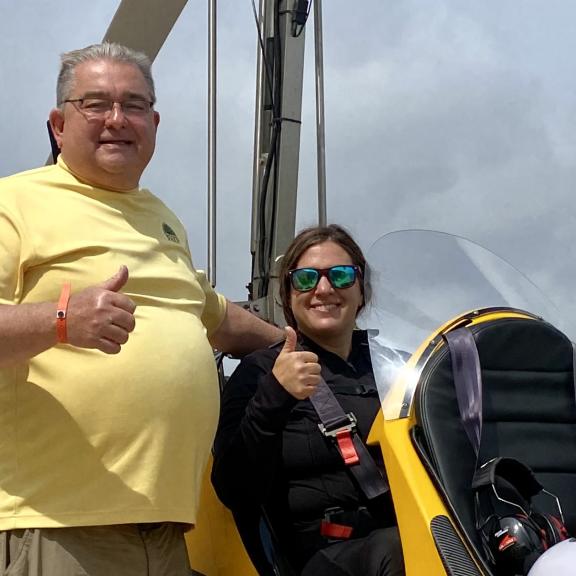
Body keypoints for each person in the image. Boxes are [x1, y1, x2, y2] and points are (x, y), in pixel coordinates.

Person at [0, 42, 282, 576]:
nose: (116, 119)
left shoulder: (163, 219)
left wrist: (290, 344)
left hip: (169, 534)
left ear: (153, 122)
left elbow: (213, 314)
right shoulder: (14, 204)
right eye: (95, 104)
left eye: (133, 105)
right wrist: (62, 319)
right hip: (57, 526)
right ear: (59, 125)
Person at [212, 225, 405, 576]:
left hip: (405, 532)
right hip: (319, 556)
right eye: (306, 279)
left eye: (342, 276)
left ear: (361, 291)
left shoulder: (395, 368)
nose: (324, 289)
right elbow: (233, 489)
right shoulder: (261, 372)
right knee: (395, 550)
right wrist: (275, 395)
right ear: (288, 295)